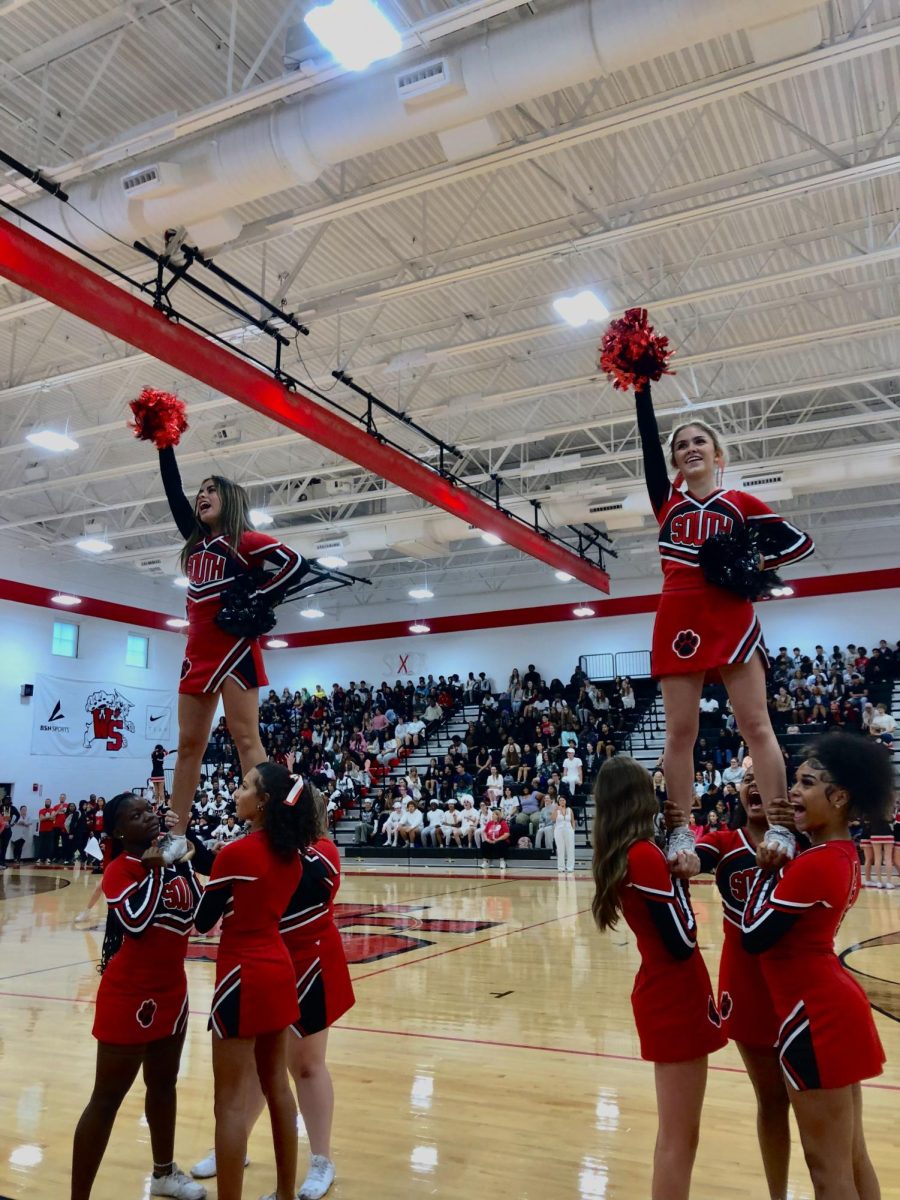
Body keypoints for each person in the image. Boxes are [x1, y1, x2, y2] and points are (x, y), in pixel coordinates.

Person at [633, 380, 814, 861]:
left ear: (718, 456)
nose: (690, 449)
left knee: (756, 724)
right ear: (675, 462)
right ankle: (679, 832)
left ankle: (780, 828)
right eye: (681, 445)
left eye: (700, 442)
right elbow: (647, 445)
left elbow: (800, 544)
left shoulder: (740, 504)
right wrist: (640, 387)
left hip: (730, 615)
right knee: (679, 733)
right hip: (677, 617)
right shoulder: (666, 504)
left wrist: (751, 567)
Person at [742, 733, 889, 1199]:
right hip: (831, 1010)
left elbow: (754, 935)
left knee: (828, 1172)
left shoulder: (815, 864)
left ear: (839, 797)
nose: (792, 794)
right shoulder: (840, 856)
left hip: (815, 1021)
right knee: (851, 1157)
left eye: (806, 783)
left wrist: (768, 869)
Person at [192, 790, 353, 1200]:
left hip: (313, 962)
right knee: (258, 1068)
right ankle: (235, 1144)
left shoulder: (324, 853)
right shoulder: (268, 850)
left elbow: (290, 885)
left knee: (306, 1064)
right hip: (272, 963)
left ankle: (322, 1160)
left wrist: (214, 868)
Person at [156, 445, 304, 860]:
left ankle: (267, 828)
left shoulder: (246, 541)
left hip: (235, 649)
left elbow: (294, 564)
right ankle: (175, 834)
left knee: (245, 738)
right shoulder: (196, 541)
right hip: (196, 652)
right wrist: (165, 444)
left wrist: (260, 597)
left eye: (211, 491)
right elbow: (173, 493)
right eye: (200, 491)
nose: (202, 496)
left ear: (231, 500)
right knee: (188, 746)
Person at [591, 756, 726, 1200]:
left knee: (678, 1135)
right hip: (674, 996)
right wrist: (681, 874)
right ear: (638, 798)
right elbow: (683, 938)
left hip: (668, 990)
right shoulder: (644, 856)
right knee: (678, 1138)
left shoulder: (635, 852)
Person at [71, 792, 204, 1200]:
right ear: (118, 830)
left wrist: (182, 861)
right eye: (136, 815)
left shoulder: (165, 864)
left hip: (172, 991)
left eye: (149, 811)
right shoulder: (120, 869)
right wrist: (160, 867)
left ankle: (164, 1173)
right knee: (107, 1097)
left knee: (164, 1085)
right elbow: (136, 922)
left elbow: (198, 915)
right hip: (129, 994)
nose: (148, 817)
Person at [669, 769, 790, 1199]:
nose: (753, 782)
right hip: (746, 983)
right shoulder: (723, 841)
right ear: (738, 791)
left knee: (814, 1105)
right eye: (745, 778)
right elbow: (696, 856)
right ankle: (779, 1194)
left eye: (762, 774)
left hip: (798, 980)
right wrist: (684, 859)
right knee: (772, 1100)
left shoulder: (802, 841)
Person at [554, 793, 577, 874]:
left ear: (565, 801)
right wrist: (555, 810)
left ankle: (570, 867)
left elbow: (573, 821)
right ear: (558, 802)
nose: (562, 801)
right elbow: (553, 819)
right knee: (560, 849)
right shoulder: (556, 809)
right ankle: (561, 867)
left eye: (563, 800)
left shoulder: (569, 810)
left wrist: (573, 830)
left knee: (570, 848)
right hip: (558, 831)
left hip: (569, 830)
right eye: (560, 800)